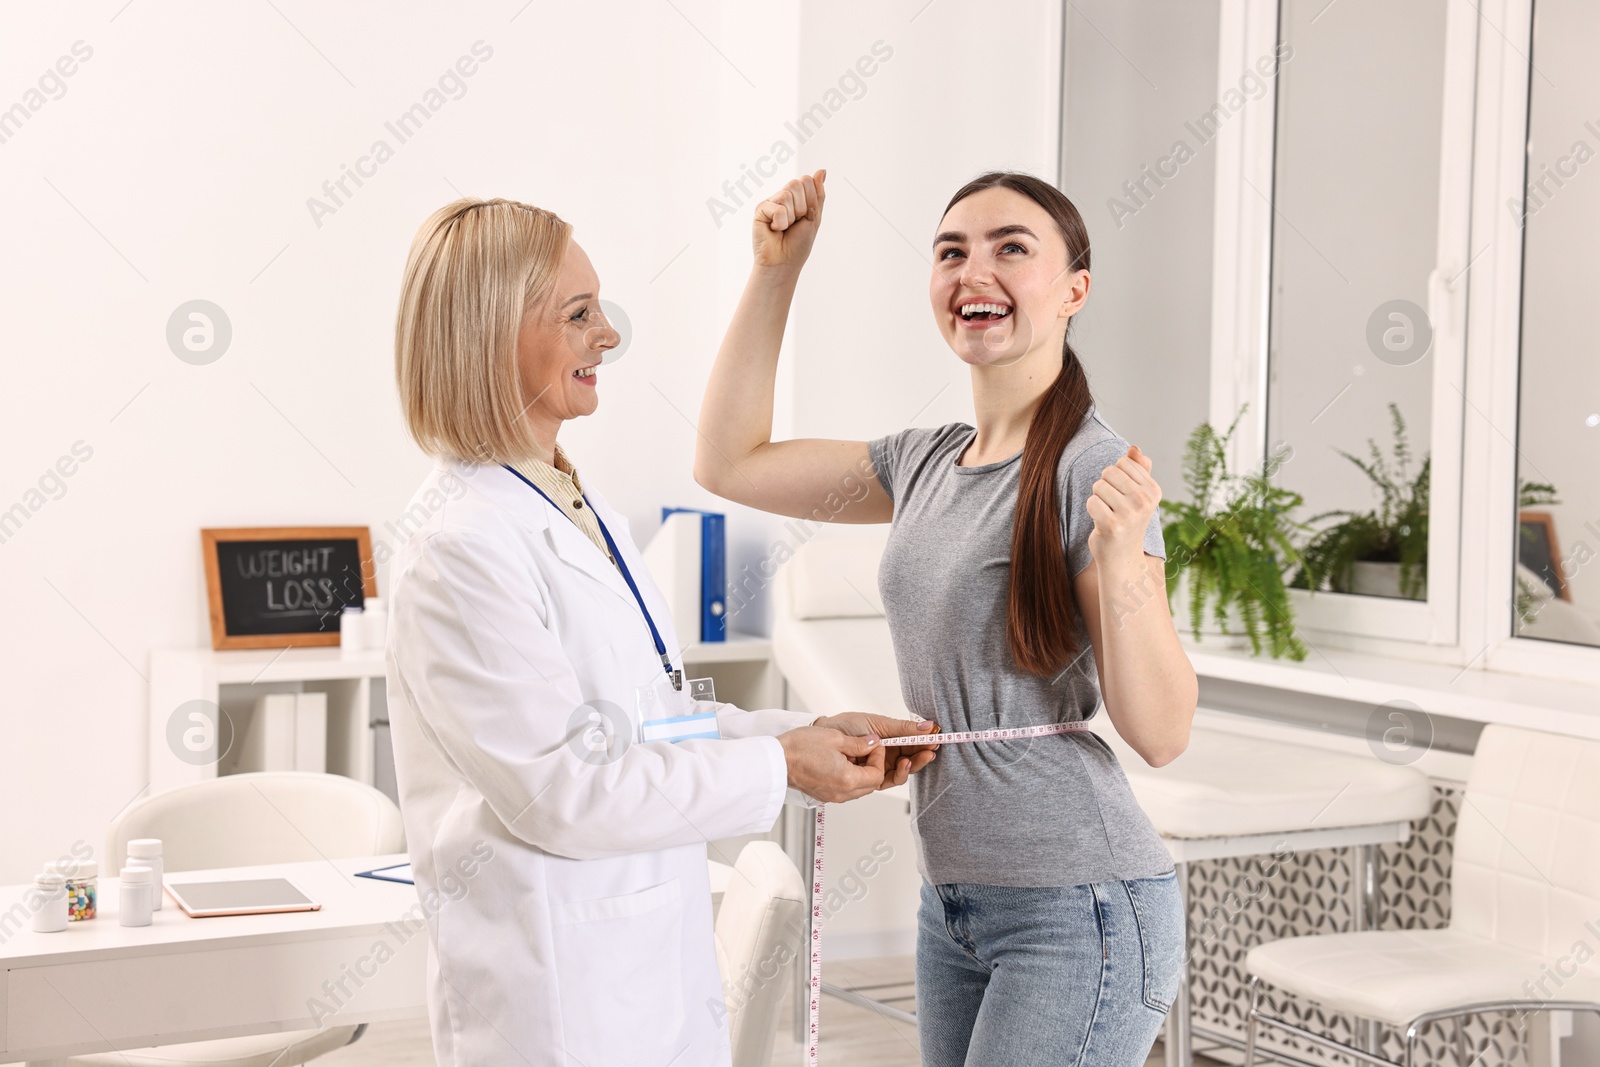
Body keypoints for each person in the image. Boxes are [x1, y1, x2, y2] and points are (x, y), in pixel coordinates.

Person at [383, 196, 940, 1067]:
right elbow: (564, 789)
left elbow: (645, 720)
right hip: (556, 995)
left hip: (645, 967)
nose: (608, 335)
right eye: (577, 314)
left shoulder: (568, 497)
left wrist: (790, 735)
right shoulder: (458, 546)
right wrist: (777, 765)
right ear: (491, 337)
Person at [695, 169, 1199, 1065]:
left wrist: (1125, 561)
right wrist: (777, 272)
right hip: (954, 900)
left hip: (1078, 906)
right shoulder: (922, 462)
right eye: (952, 251)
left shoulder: (1094, 469)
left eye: (1013, 247)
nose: (975, 269)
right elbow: (731, 462)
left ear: (1075, 289)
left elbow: (1160, 732)